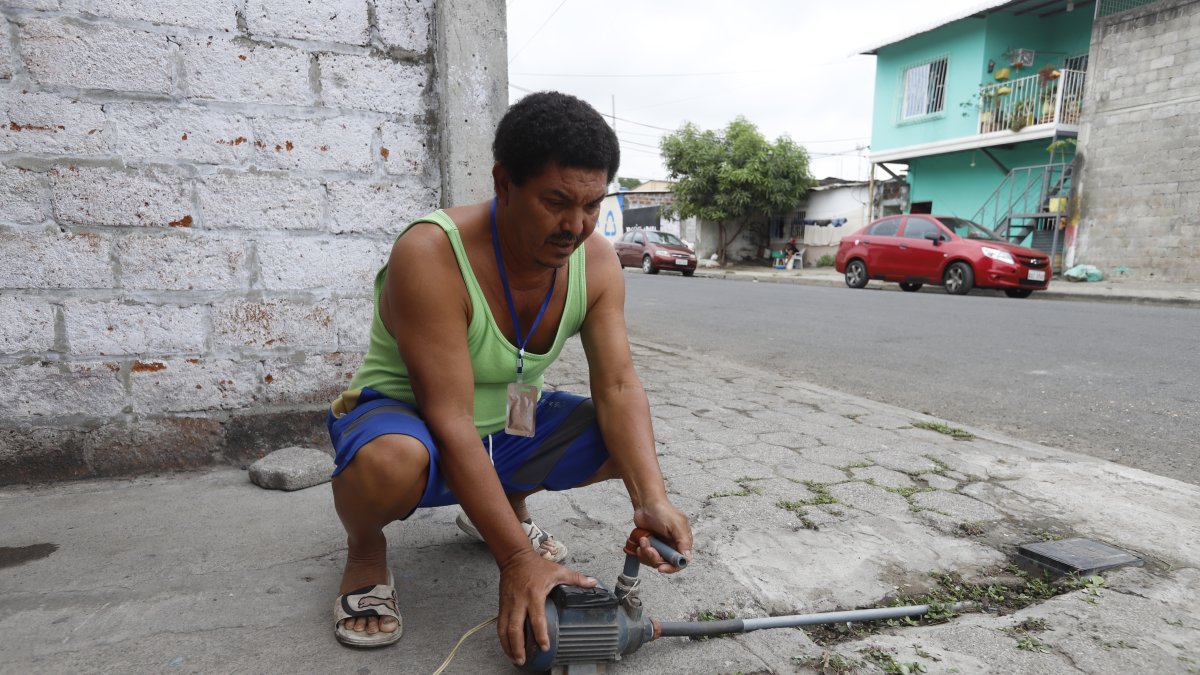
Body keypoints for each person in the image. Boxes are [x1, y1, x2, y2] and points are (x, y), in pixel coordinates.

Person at [325, 91, 693, 666]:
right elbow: (449, 415)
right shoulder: (431, 253)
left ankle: (503, 509)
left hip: (506, 423)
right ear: (503, 182)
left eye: (592, 205)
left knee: (620, 438)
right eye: (556, 202)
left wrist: (652, 499)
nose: (575, 226)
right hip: (408, 419)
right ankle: (366, 549)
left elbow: (619, 386)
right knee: (390, 462)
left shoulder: (596, 262)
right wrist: (519, 561)